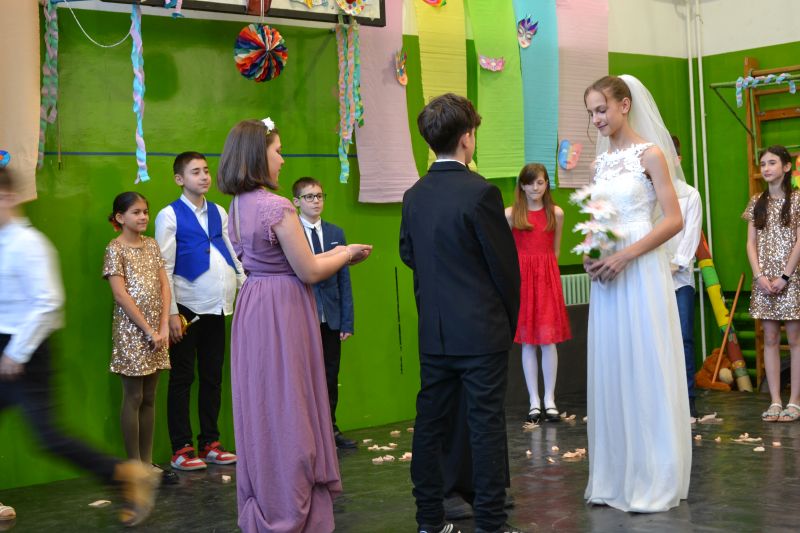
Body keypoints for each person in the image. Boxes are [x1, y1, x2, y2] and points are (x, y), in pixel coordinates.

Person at [216, 118, 372, 533]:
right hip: (282, 309)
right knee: (291, 408)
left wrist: (338, 252)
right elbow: (308, 270)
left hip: (255, 305)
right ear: (259, 155)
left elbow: (284, 261)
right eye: (278, 151)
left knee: (264, 406)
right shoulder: (276, 206)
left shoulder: (238, 205)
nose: (283, 160)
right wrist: (346, 254)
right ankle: (290, 503)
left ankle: (269, 494)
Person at [0, 167, 158, 527]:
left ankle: (126, 474)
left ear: (6, 197)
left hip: (25, 352)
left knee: (49, 437)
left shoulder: (28, 244)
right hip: (6, 345)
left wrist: (15, 353)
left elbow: (48, 303)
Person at [400, 93, 521, 533]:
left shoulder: (414, 195)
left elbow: (408, 253)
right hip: (481, 330)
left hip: (434, 331)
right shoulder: (481, 192)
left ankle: (429, 520)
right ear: (467, 138)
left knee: (430, 425)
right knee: (485, 425)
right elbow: (504, 266)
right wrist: (507, 320)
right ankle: (490, 523)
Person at [582, 75, 691, 512]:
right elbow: (597, 220)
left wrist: (626, 255)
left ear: (624, 105)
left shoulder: (651, 155)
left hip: (640, 268)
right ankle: (615, 478)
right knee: (613, 365)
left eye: (602, 109)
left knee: (645, 363)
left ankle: (653, 477)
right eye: (591, 112)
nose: (596, 119)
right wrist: (591, 252)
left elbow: (674, 219)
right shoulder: (599, 164)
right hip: (608, 276)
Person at [155, 151, 244, 471]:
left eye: (206, 170)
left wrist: (246, 286)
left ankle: (210, 443)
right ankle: (181, 448)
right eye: (196, 172)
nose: (204, 176)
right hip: (186, 309)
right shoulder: (169, 215)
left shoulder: (219, 211)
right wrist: (171, 313)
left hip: (218, 307)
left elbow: (231, 253)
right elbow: (164, 267)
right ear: (179, 179)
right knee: (182, 378)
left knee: (212, 377)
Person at [103, 192, 172, 489]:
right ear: (120, 217)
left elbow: (164, 286)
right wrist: (147, 330)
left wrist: (163, 326)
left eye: (145, 211)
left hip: (157, 332)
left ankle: (147, 462)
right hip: (132, 332)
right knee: (133, 397)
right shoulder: (115, 248)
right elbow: (120, 295)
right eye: (136, 212)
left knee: (150, 397)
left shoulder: (152, 245)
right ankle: (134, 466)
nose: (143, 217)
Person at [291, 177, 357, 449]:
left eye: (319, 196)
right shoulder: (291, 233)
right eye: (309, 197)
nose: (316, 201)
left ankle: (331, 428)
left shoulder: (335, 233)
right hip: (301, 315)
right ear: (296, 202)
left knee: (330, 374)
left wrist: (346, 321)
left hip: (330, 317)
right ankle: (306, 433)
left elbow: (344, 280)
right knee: (303, 377)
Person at [505, 163, 571, 424]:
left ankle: (549, 400)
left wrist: (547, 275)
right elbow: (507, 251)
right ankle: (534, 401)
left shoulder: (556, 213)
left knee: (548, 340)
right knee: (528, 342)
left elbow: (555, 251)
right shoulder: (511, 215)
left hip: (546, 279)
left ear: (546, 184)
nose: (535, 187)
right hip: (522, 281)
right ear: (522, 185)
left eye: (540, 182)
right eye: (530, 182)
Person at [743, 145, 800, 423]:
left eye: (772, 163)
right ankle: (775, 400)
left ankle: (795, 401)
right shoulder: (757, 201)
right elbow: (750, 243)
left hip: (792, 279)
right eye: (763, 163)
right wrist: (759, 276)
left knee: (795, 340)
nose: (766, 168)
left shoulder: (797, 199)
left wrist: (785, 277)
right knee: (770, 339)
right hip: (764, 281)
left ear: (786, 167)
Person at [666, 135, 703, 418]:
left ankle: (687, 400)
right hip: (651, 278)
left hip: (680, 279)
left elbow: (691, 236)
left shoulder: (690, 194)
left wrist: (676, 264)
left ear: (677, 159)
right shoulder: (649, 194)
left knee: (684, 338)